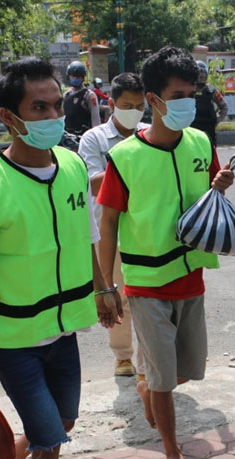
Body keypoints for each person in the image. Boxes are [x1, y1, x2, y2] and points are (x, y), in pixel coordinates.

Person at [0, 58, 120, 459]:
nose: (53, 117)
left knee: (62, 424)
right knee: (50, 441)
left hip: (65, 330)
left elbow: (88, 235)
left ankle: (18, 454)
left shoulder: (72, 166)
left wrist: (103, 289)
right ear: (9, 117)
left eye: (57, 106)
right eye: (39, 108)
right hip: (14, 340)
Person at [98, 46, 235, 459]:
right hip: (146, 283)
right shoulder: (125, 156)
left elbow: (208, 198)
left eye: (192, 95)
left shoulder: (200, 143)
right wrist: (105, 287)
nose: (187, 104)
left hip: (191, 276)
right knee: (164, 382)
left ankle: (146, 385)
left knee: (184, 372)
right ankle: (172, 453)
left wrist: (221, 185)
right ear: (154, 100)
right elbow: (108, 221)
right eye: (178, 96)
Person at [78, 72, 148, 378]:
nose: (134, 111)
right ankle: (122, 356)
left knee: (146, 298)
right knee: (117, 295)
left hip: (145, 228)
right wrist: (135, 165)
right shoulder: (94, 139)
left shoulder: (150, 133)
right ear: (112, 104)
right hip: (110, 230)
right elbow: (92, 183)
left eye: (139, 106)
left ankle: (147, 360)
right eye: (127, 105)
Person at [190, 60, 228, 146]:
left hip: (209, 130)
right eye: (200, 74)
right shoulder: (189, 90)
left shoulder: (212, 90)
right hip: (192, 130)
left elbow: (224, 107)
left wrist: (216, 120)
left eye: (204, 73)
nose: (202, 76)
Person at [63, 60, 101, 136]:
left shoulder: (89, 95)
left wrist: (96, 136)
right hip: (67, 137)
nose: (75, 78)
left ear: (83, 78)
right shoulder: (66, 95)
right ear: (69, 77)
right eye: (73, 76)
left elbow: (95, 118)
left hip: (84, 137)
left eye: (78, 77)